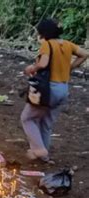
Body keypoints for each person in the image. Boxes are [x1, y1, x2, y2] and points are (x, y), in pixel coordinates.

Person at [21, 19, 88, 162]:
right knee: (46, 122)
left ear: (43, 33)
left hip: (48, 89)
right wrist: (70, 67)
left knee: (27, 118)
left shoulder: (47, 44)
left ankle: (39, 149)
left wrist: (31, 68)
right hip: (63, 89)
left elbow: (44, 63)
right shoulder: (68, 44)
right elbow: (84, 54)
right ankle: (44, 155)